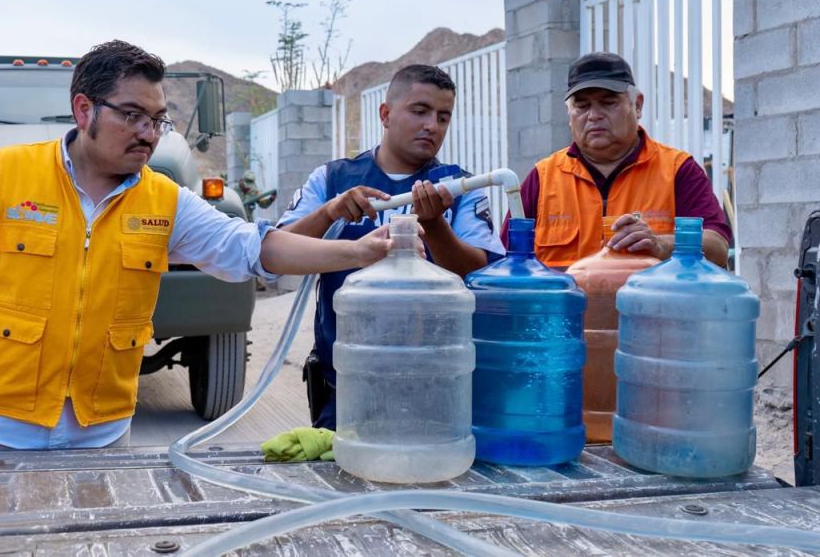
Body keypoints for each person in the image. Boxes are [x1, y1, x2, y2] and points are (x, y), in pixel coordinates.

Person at [0, 40, 400, 473]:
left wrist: (357, 251)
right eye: (132, 116)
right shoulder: (5, 175)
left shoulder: (164, 200)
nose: (148, 134)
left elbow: (252, 247)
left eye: (157, 120)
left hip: (101, 437)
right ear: (83, 109)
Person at [278, 64, 506, 429]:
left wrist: (434, 226)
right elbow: (279, 253)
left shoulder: (459, 187)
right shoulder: (333, 179)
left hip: (435, 386)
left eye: (443, 117)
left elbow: (482, 276)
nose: (432, 125)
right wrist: (329, 211)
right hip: (344, 383)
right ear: (385, 114)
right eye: (420, 111)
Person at [501, 51, 731, 269]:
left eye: (608, 102)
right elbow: (503, 260)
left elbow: (717, 246)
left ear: (637, 105)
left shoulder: (677, 170)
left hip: (651, 310)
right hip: (562, 312)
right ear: (569, 114)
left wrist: (662, 245)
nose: (594, 115)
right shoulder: (542, 178)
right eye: (582, 105)